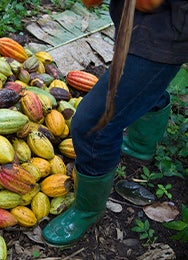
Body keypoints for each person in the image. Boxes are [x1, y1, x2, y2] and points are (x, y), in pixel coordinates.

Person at [42, 0, 188, 247]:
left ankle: (87, 210)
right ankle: (141, 147)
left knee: (92, 125)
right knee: (144, 87)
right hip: (145, 22)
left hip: (168, 28)